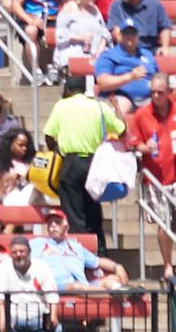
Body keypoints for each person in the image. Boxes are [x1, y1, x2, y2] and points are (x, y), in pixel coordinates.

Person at [41, 69, 125, 240]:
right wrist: (116, 107)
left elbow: (49, 134)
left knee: (73, 214)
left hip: (70, 164)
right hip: (95, 164)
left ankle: (80, 251)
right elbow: (122, 130)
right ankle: (99, 250)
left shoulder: (61, 106)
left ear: (67, 91)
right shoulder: (99, 106)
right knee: (93, 210)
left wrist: (55, 150)